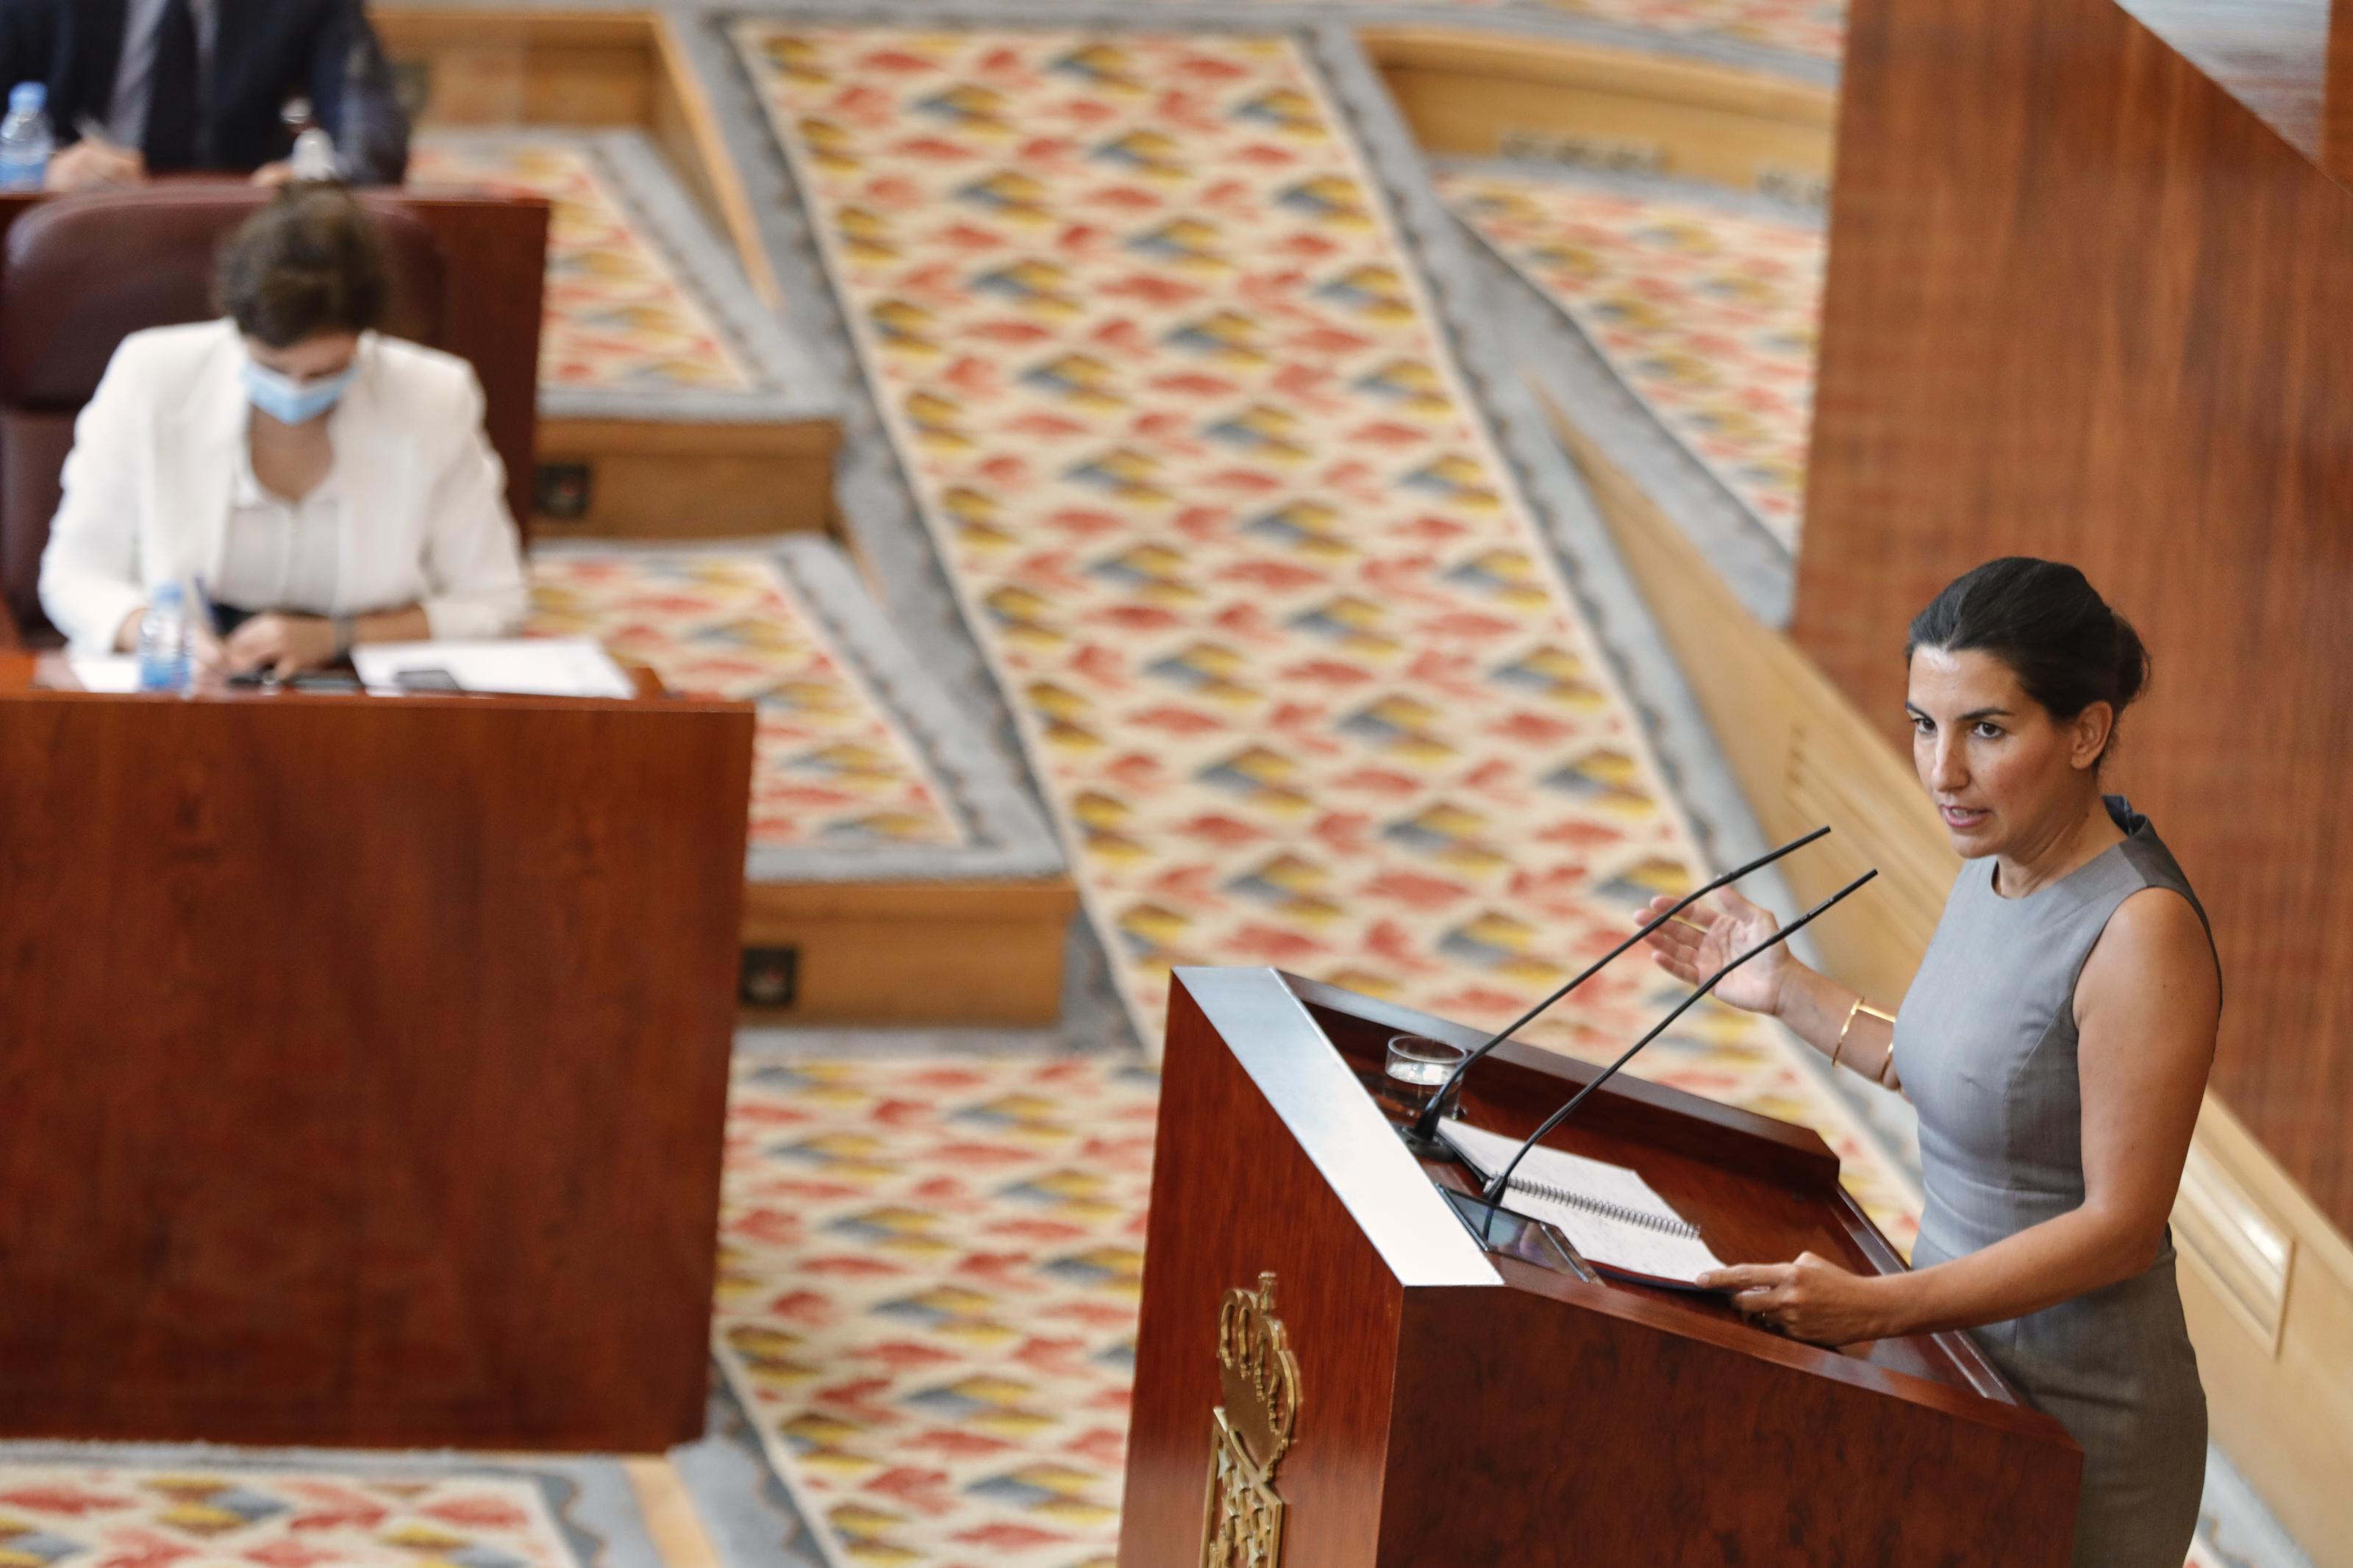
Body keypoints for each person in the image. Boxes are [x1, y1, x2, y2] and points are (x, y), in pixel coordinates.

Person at [1640, 557, 2217, 1567]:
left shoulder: (2140, 933)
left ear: (2085, 731)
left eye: (1986, 730)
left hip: (2079, 1428)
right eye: (1923, 724)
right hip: (1958, 1367)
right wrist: (1786, 988)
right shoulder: (1996, 857)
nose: (1942, 770)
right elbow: (1958, 1069)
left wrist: (1879, 1305)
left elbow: (2121, 1228)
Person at [38, 182, 527, 674]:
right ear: (238, 328)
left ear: (364, 339)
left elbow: (494, 603)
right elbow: (74, 576)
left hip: (353, 685)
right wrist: (158, 634)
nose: (295, 390)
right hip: (185, 680)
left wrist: (336, 637)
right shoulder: (151, 376)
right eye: (271, 367)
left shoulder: (434, 397)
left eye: (324, 372)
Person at [0, 0, 408, 190]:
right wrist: (36, 172)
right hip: (66, 214)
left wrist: (318, 178)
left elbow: (368, 124)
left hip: (239, 224)